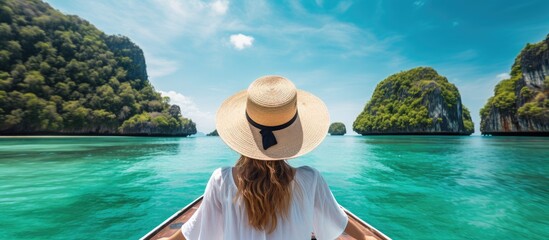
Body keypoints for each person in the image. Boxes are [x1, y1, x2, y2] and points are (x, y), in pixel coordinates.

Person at [162, 76, 375, 240]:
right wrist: (365, 237)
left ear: (245, 132)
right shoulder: (310, 180)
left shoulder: (222, 180)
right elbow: (340, 220)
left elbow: (196, 228)